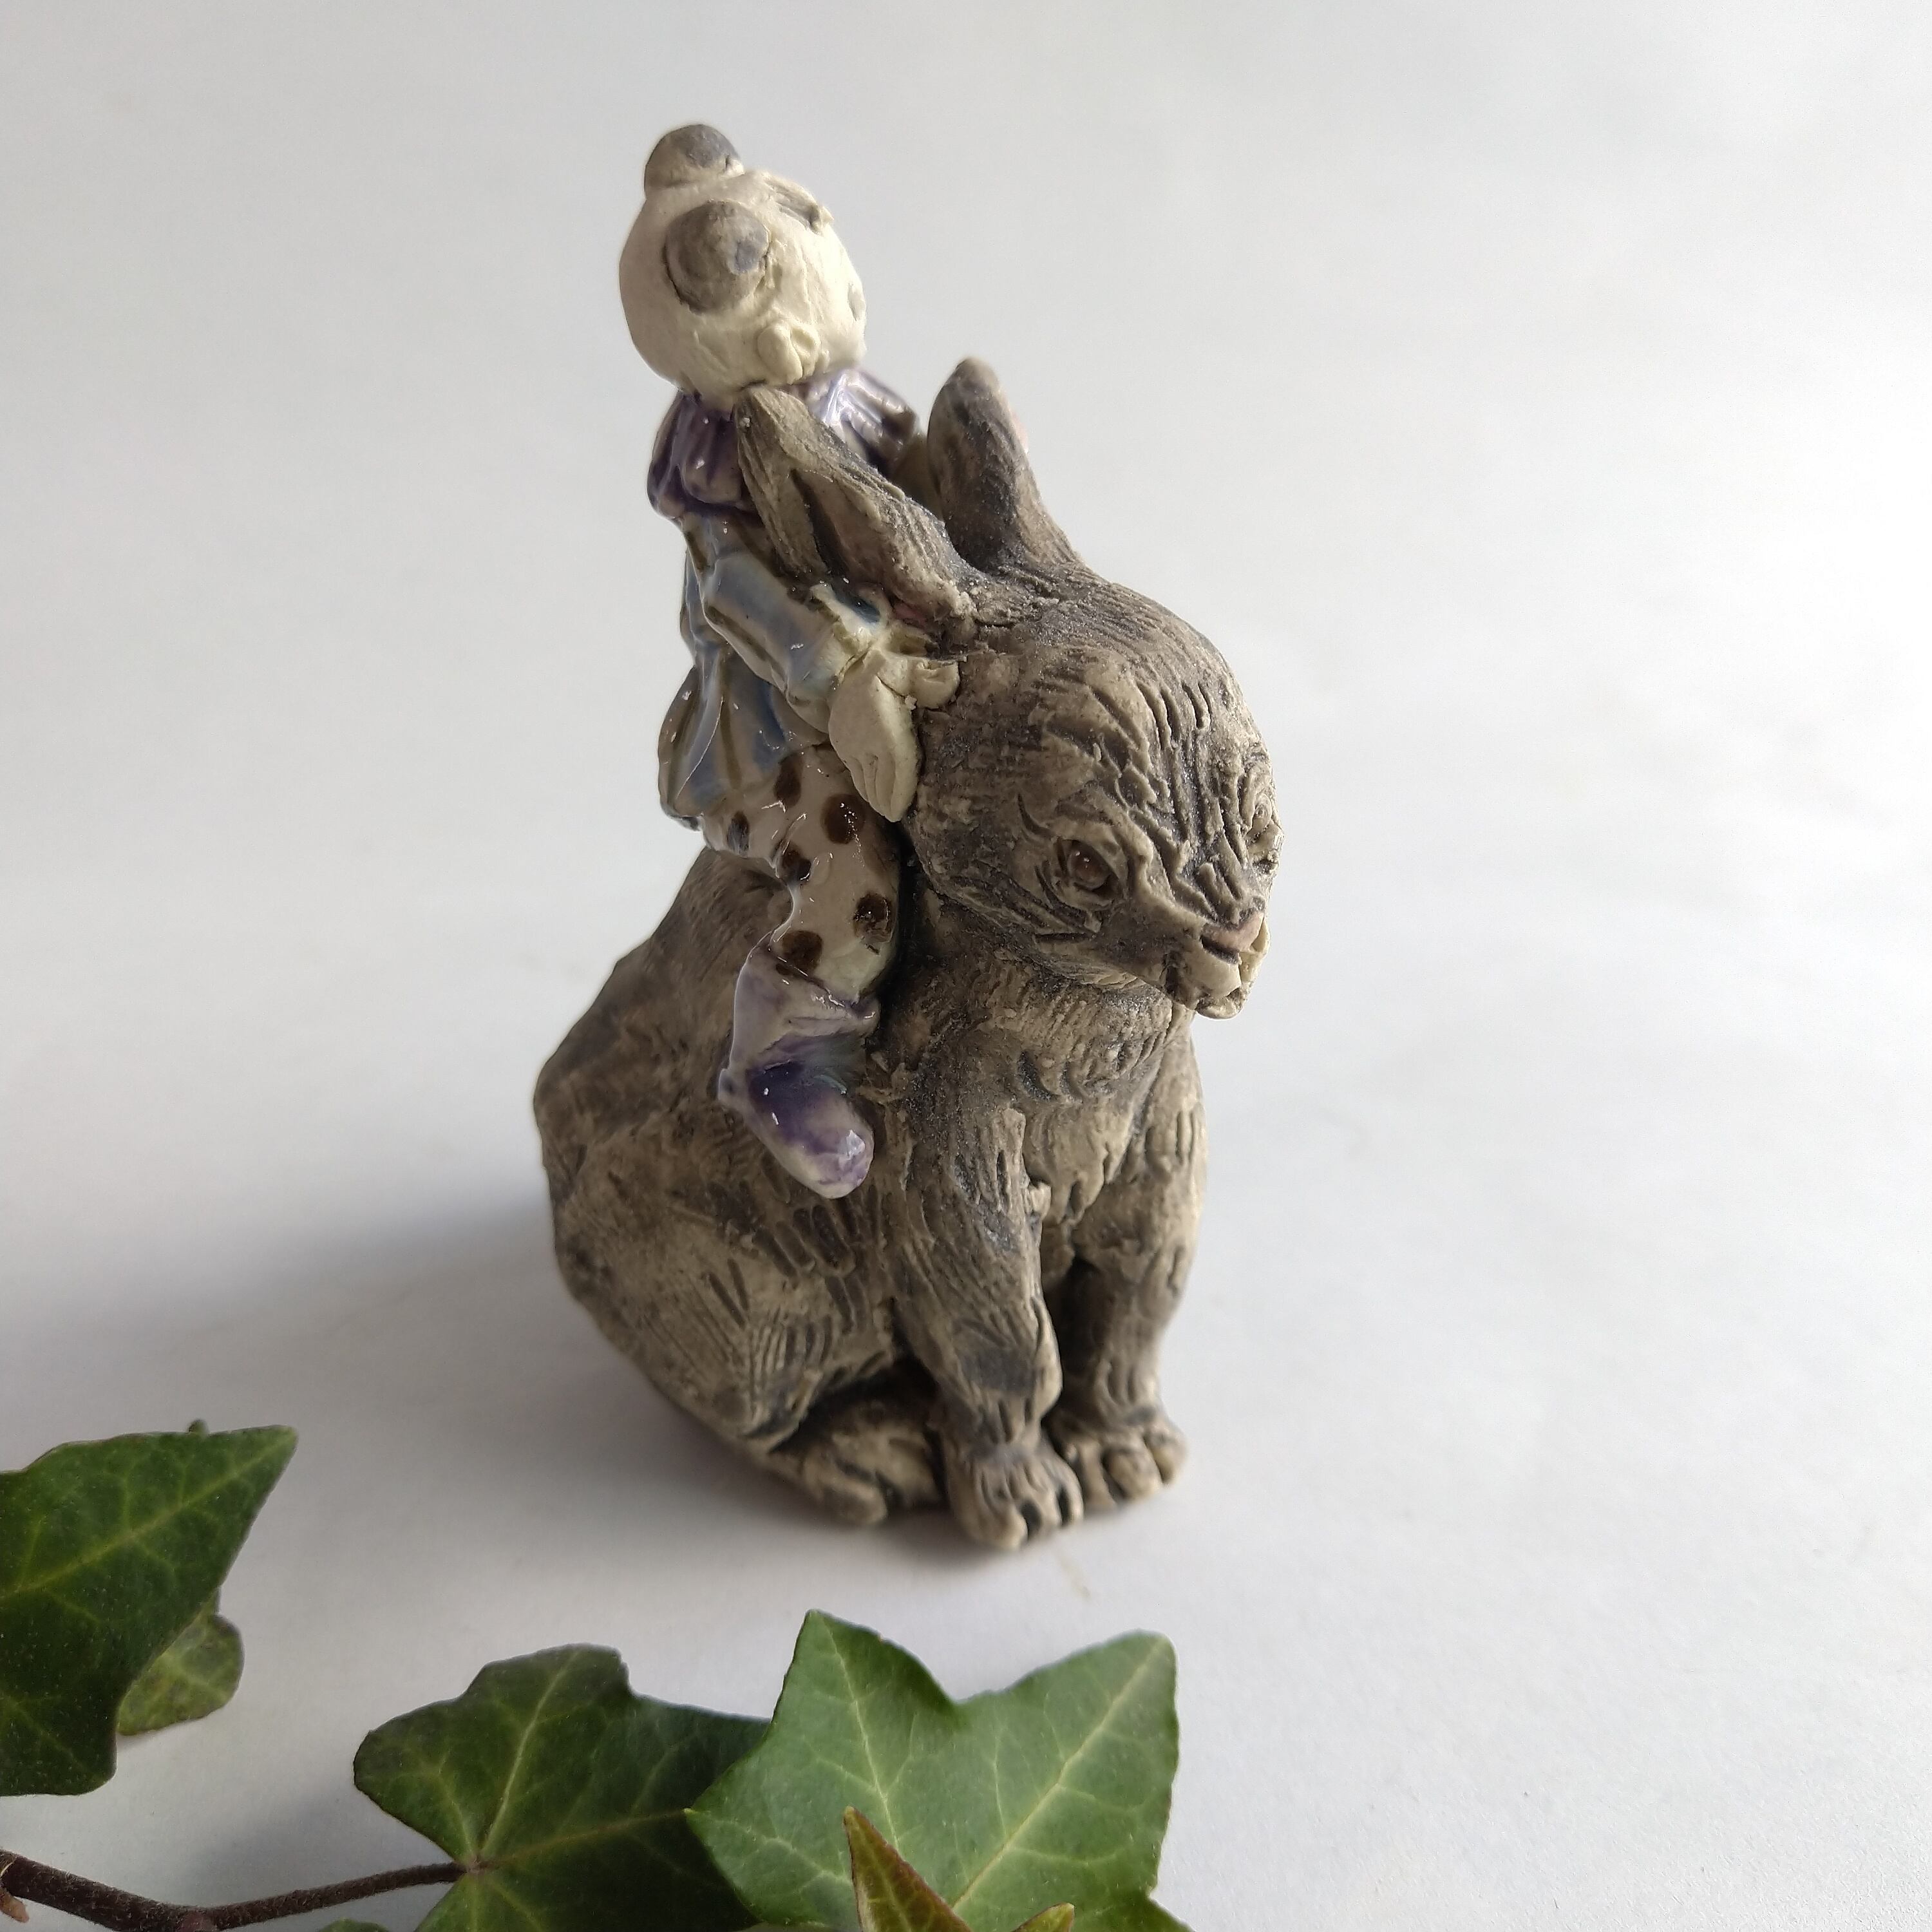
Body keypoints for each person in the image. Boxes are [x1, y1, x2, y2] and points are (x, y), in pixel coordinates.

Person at [618, 125, 956, 1198]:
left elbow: (906, 483)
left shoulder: (841, 402)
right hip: (773, 732)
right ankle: (780, 1064)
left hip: (899, 663)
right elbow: (741, 604)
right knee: (856, 873)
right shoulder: (726, 471)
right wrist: (853, 673)